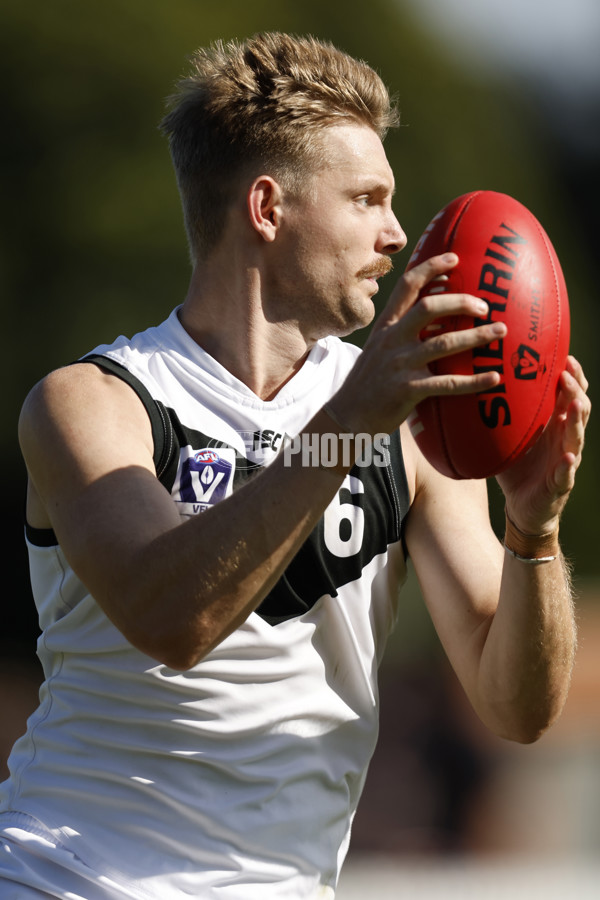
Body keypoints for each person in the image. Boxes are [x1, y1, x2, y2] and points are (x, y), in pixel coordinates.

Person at [0, 31, 590, 900]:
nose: (396, 234)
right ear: (268, 209)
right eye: (366, 198)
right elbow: (173, 621)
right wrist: (352, 419)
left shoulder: (406, 418)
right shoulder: (95, 403)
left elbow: (517, 709)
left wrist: (533, 531)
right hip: (72, 877)